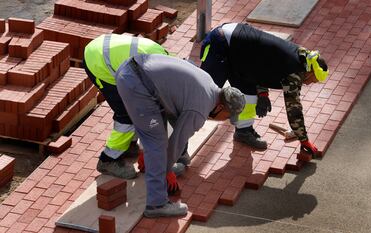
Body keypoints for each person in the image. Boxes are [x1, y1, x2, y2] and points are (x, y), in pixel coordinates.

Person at [115, 54, 245, 217]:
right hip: (137, 84)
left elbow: (173, 122)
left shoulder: (209, 84)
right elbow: (177, 141)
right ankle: (156, 204)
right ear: (221, 107)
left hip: (134, 70)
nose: (224, 120)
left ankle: (152, 164)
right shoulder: (198, 110)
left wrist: (157, 160)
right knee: (156, 144)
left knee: (156, 139)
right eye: (227, 116)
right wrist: (166, 170)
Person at [200, 23, 329, 156]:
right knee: (206, 94)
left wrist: (262, 93)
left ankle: (243, 131)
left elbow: (264, 65)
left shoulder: (303, 57)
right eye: (312, 80)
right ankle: (181, 138)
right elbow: (294, 109)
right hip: (222, 42)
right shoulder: (294, 73)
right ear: (310, 71)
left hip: (243, 57)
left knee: (248, 96)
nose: (309, 84)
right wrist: (304, 140)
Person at [83, 33, 188, 180]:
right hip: (99, 62)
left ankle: (128, 147)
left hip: (106, 48)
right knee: (126, 116)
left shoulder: (170, 62)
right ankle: (108, 160)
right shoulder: (155, 75)